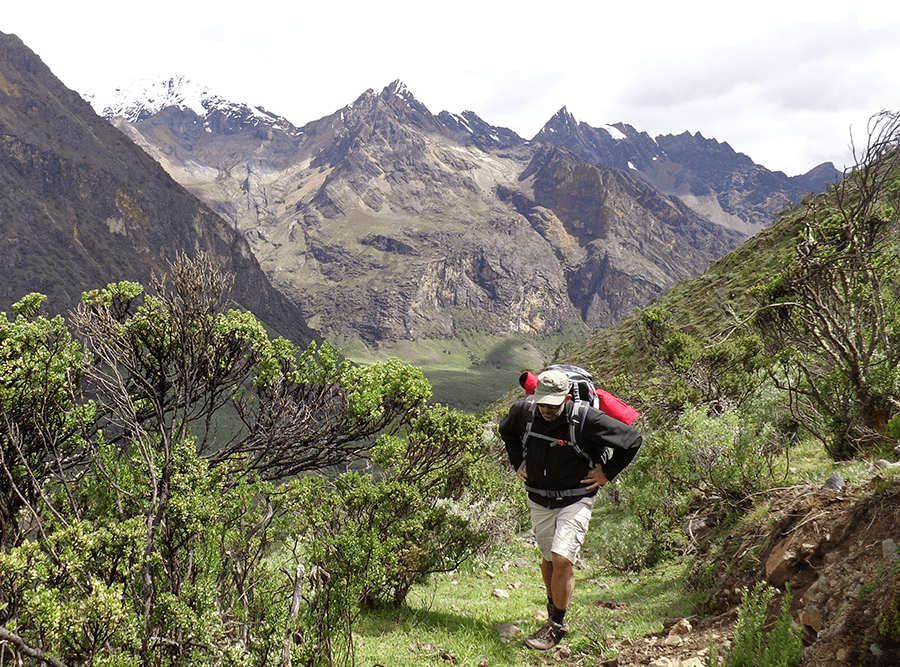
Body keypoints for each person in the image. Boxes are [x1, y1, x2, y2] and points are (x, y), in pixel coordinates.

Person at [498, 369, 643, 651]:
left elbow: (632, 440)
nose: (547, 409)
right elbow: (508, 434)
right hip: (539, 498)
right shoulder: (524, 412)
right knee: (548, 559)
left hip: (577, 498)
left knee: (562, 558)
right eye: (543, 403)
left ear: (566, 398)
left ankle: (556, 626)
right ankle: (554, 608)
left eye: (553, 404)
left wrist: (607, 473)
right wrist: (517, 463)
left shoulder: (586, 418)